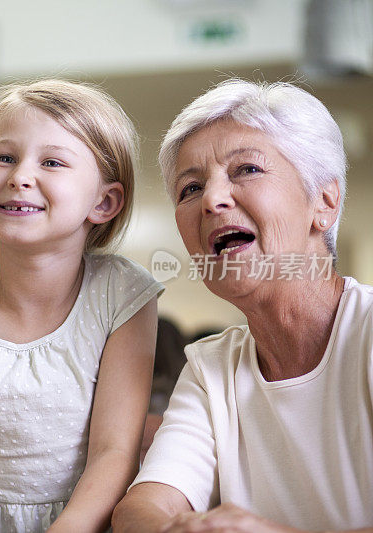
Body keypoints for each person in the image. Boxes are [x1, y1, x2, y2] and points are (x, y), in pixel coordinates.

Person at [0, 79, 163, 533]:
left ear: (104, 202)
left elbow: (113, 454)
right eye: (4, 158)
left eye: (53, 162)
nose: (20, 176)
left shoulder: (123, 296)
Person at [113, 79, 373, 532]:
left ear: (324, 203)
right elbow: (143, 509)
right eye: (189, 189)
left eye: (247, 169)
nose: (212, 200)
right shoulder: (210, 366)